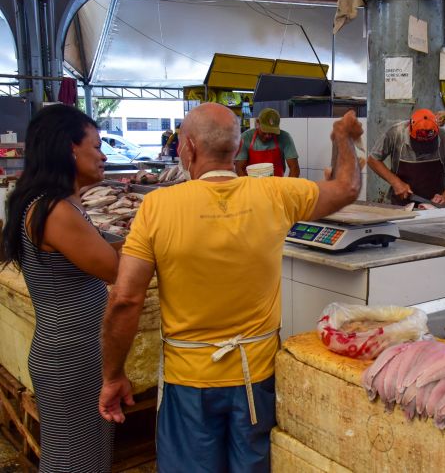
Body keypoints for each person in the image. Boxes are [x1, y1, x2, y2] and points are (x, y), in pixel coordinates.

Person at [98, 103, 362, 472]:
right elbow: (347, 187)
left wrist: (112, 376)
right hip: (256, 379)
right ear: (238, 147)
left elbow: (126, 299)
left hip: (189, 381)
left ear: (187, 147)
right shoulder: (275, 194)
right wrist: (342, 138)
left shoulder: (157, 206)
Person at [1, 105, 119, 472]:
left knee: (91, 454)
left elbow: (103, 250)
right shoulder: (54, 211)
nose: (102, 155)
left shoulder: (62, 204)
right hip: (69, 355)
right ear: (70, 149)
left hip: (78, 350)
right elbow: (112, 268)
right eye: (96, 146)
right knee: (73, 458)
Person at [367, 108, 445, 206]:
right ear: (410, 130)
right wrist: (396, 182)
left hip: (433, 206)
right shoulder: (395, 133)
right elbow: (373, 159)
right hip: (400, 205)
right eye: (420, 143)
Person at [235, 108, 300, 177]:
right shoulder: (246, 137)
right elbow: (239, 168)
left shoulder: (285, 137)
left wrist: (288, 187)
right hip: (252, 185)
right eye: (264, 132)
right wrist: (248, 186)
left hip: (277, 184)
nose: (268, 136)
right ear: (257, 123)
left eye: (272, 132)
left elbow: (294, 168)